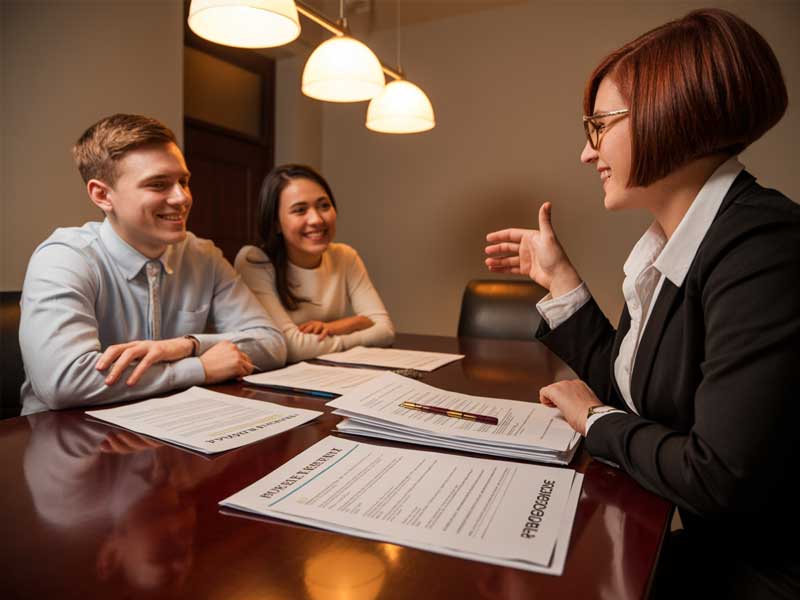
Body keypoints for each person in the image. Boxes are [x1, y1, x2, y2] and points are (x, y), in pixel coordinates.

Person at [484, 9, 799, 599]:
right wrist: (561, 281)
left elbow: (716, 476)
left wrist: (593, 419)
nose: (586, 151)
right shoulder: (675, 244)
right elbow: (640, 396)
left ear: (670, 113)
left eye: (600, 125)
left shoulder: (764, 244)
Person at [19, 114, 287, 415]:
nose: (182, 197)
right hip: (63, 442)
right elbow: (63, 381)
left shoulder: (204, 255)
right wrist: (199, 368)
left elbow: (272, 343)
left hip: (170, 429)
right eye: (158, 184)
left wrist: (187, 345)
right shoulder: (64, 258)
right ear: (102, 195)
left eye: (183, 181)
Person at [235, 164, 394, 363]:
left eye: (324, 206)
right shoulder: (254, 260)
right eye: (300, 210)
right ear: (275, 222)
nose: (317, 219)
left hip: (329, 374)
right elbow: (290, 347)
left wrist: (335, 328)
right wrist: (355, 323)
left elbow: (385, 330)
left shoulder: (345, 256)